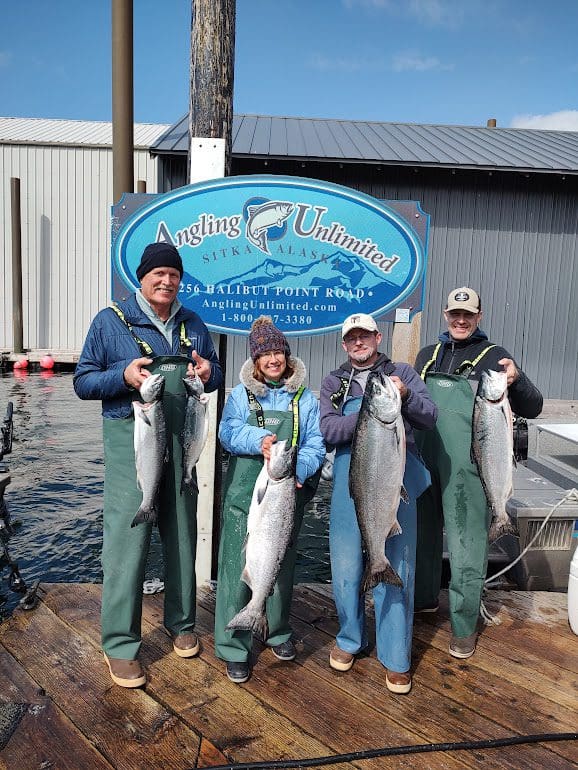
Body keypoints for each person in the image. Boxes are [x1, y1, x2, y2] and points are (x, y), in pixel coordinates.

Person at [74, 242, 223, 688]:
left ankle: (182, 624)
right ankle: (120, 644)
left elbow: (215, 370)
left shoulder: (193, 323)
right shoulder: (110, 321)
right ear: (141, 278)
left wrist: (208, 374)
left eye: (174, 275)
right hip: (131, 442)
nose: (167, 281)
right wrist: (122, 376)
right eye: (158, 273)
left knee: (182, 536)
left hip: (183, 441)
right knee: (128, 543)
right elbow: (83, 381)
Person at [414, 287, 543, 659]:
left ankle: (464, 625)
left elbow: (533, 407)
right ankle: (423, 602)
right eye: (455, 314)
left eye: (468, 315)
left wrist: (517, 379)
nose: (461, 320)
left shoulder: (495, 357)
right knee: (421, 539)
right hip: (425, 464)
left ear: (479, 317)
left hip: (470, 471)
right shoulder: (427, 356)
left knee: (467, 548)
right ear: (445, 314)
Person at [319, 313, 437, 694]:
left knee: (398, 565)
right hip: (349, 484)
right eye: (352, 337)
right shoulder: (334, 382)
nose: (359, 342)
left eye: (365, 335)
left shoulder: (402, 373)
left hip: (395, 482)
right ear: (344, 344)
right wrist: (369, 412)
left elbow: (430, 416)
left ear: (377, 337)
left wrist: (404, 397)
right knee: (346, 566)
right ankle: (350, 637)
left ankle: (396, 656)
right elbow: (328, 429)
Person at [215, 316, 325, 684]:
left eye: (279, 352)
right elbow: (227, 432)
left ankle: (275, 631)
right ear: (256, 360)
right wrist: (257, 440)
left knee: (281, 566)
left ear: (287, 356)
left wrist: (298, 469)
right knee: (236, 566)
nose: (273, 359)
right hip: (243, 496)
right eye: (266, 354)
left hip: (285, 494)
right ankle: (234, 646)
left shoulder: (304, 398)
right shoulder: (239, 395)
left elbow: (315, 443)